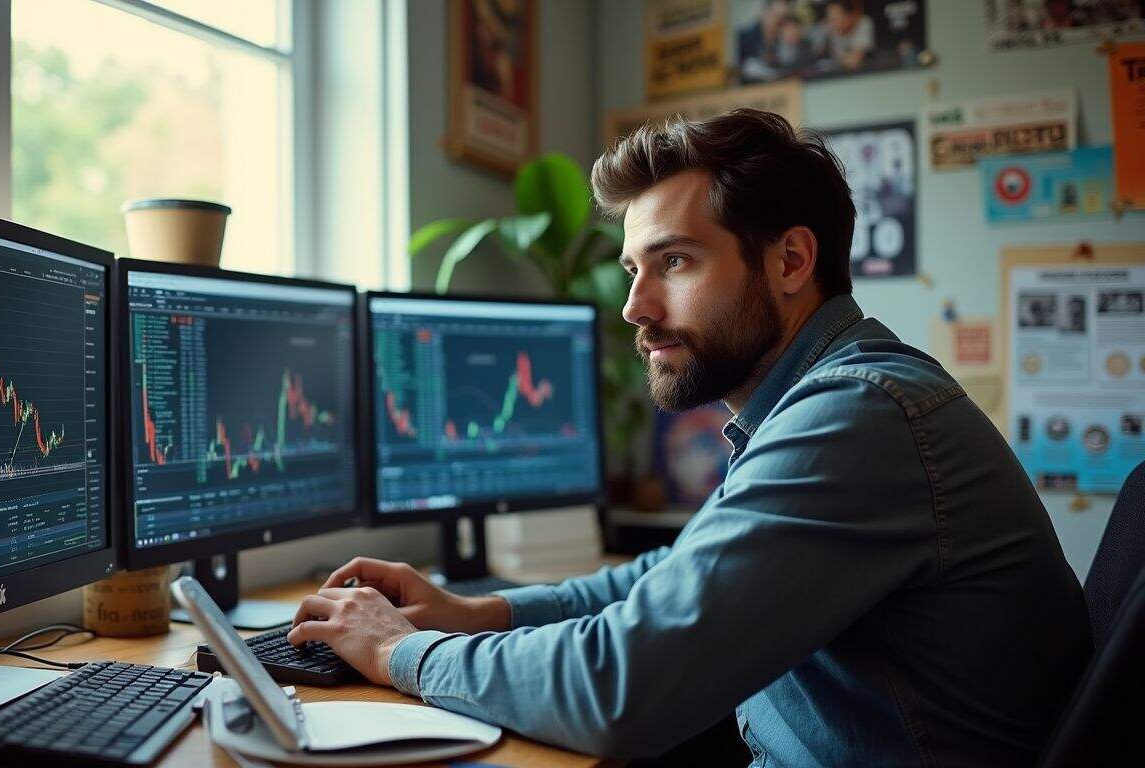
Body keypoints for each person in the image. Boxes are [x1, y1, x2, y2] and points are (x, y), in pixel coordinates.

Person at [287, 109, 1091, 765]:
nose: (635, 307)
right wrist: (479, 612)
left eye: (673, 262)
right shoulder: (827, 399)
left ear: (791, 261)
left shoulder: (856, 416)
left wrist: (398, 652)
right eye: (634, 269)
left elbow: (620, 690)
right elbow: (676, 574)